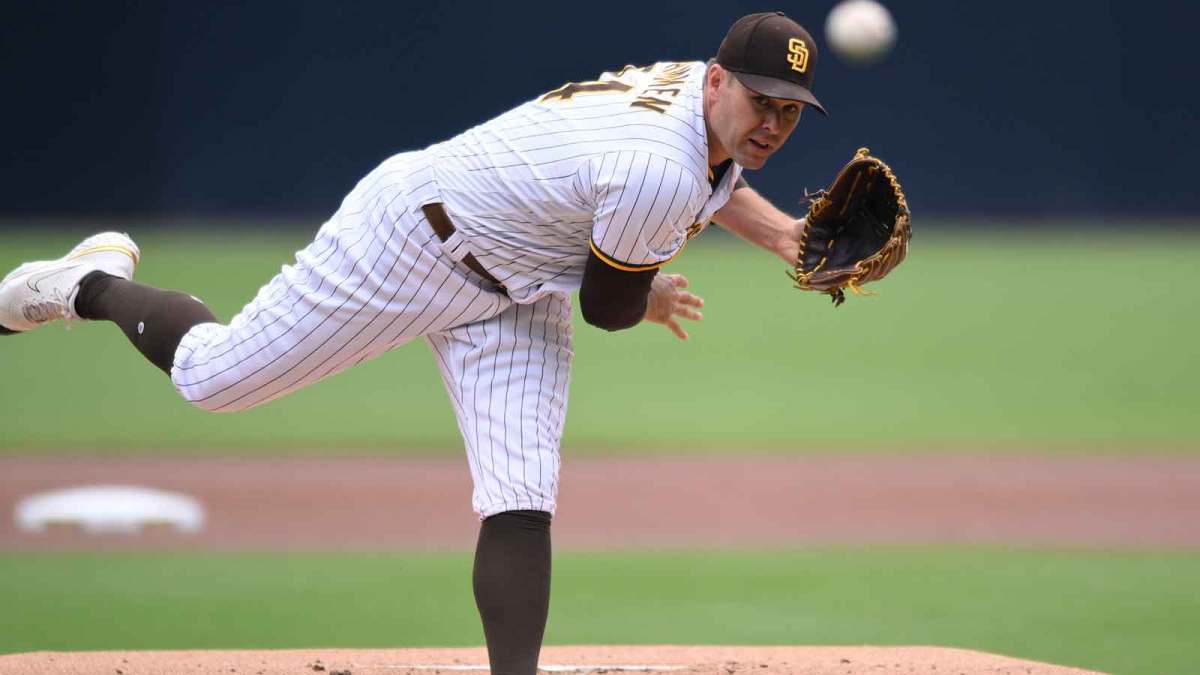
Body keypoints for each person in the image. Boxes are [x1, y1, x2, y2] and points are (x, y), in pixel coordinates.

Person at [0, 12, 825, 675]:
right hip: (412, 239)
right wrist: (646, 299)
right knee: (212, 377)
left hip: (517, 288)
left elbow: (713, 178)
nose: (773, 123)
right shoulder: (659, 169)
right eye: (762, 102)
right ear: (718, 81)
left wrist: (789, 237)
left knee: (521, 494)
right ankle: (89, 282)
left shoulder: (690, 92)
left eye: (790, 109)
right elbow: (612, 306)